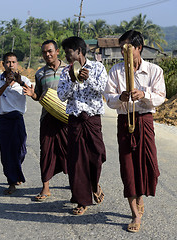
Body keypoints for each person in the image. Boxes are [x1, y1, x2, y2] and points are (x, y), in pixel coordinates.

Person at [104, 30, 166, 233]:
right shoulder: (116, 71)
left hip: (145, 121)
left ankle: (140, 196)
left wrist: (144, 94)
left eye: (128, 48)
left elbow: (160, 97)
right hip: (125, 121)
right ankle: (135, 214)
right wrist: (120, 98)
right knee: (128, 165)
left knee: (148, 163)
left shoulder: (154, 70)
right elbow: (109, 98)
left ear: (139, 48)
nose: (124, 52)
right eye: (121, 49)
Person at [57, 36, 107, 215]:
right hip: (76, 120)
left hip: (93, 119)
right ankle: (81, 200)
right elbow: (61, 96)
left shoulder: (97, 67)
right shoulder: (65, 72)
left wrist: (89, 79)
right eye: (65, 53)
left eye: (69, 52)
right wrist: (72, 79)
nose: (67, 56)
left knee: (97, 156)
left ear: (79, 51)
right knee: (77, 162)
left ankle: (94, 184)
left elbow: (103, 89)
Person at [23, 40, 68, 201]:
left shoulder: (69, 70)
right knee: (47, 152)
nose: (47, 55)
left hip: (67, 117)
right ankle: (46, 187)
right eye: (44, 52)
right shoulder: (40, 73)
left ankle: (76, 182)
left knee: (72, 151)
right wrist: (32, 94)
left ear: (57, 52)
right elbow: (39, 97)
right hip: (48, 117)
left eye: (50, 51)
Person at [0, 52, 32, 195]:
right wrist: (6, 84)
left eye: (13, 62)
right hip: (3, 119)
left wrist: (20, 82)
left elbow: (32, 92)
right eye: (8, 62)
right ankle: (12, 181)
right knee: (7, 152)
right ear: (3, 64)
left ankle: (16, 171)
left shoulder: (24, 79)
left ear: (17, 64)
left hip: (17, 118)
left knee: (21, 150)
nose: (11, 65)